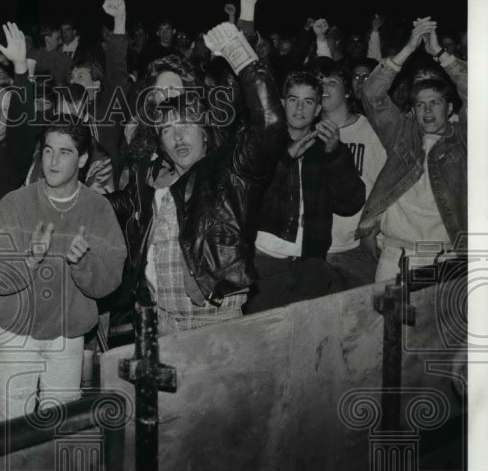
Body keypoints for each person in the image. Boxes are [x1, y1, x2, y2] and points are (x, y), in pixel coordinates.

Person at [116, 18, 285, 335]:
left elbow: (268, 123)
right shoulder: (149, 171)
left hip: (212, 321)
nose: (177, 136)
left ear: (206, 132)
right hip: (158, 321)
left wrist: (239, 51)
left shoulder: (227, 172)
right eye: (167, 129)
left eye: (185, 125)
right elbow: (123, 209)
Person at [0, 119, 127, 422]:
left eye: (64, 152)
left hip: (67, 337)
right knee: (11, 426)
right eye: (48, 151)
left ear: (83, 159)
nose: (53, 161)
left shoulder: (98, 208)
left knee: (61, 424)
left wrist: (83, 263)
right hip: (16, 334)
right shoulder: (15, 203)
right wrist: (30, 259)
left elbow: (109, 281)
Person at [244, 70, 365, 313]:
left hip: (311, 263)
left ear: (318, 108)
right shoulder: (261, 143)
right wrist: (287, 157)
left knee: (307, 341)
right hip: (264, 260)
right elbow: (251, 203)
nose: (299, 108)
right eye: (293, 99)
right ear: (282, 102)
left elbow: (349, 204)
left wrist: (335, 155)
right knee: (264, 339)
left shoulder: (328, 147)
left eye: (308, 101)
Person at [357, 16, 466, 283]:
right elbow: (371, 95)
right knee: (391, 325)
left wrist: (440, 54)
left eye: (435, 103)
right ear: (412, 109)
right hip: (396, 256)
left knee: (441, 326)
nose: (427, 111)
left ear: (450, 107)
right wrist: (408, 48)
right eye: (420, 104)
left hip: (447, 259)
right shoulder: (402, 134)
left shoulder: (464, 139)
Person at [315, 59, 386, 287]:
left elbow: (386, 185)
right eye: (318, 82)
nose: (323, 87)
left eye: (331, 82)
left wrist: (374, 229)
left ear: (347, 92)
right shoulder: (307, 132)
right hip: (315, 249)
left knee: (367, 317)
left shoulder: (369, 130)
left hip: (357, 246)